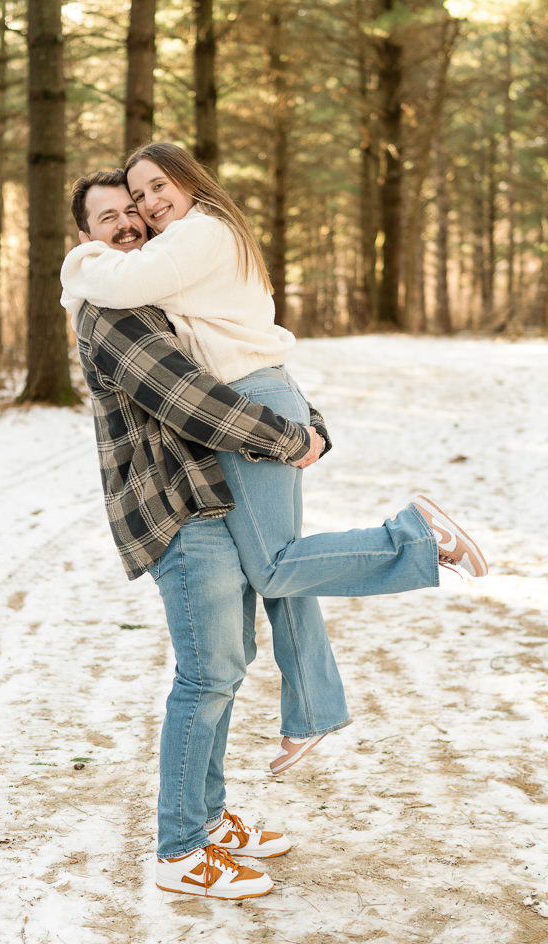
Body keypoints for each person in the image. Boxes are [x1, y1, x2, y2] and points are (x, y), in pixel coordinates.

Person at [61, 143, 488, 767]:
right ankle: (312, 709)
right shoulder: (182, 242)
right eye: (132, 200)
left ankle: (418, 537)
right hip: (261, 397)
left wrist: (79, 260)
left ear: (188, 181)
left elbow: (124, 284)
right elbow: (245, 339)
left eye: (154, 190)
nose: (147, 207)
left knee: (276, 565)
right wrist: (301, 418)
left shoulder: (196, 234)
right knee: (284, 564)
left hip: (249, 405)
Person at [67, 171, 323, 900]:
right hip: (174, 510)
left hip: (212, 497)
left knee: (226, 664)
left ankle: (206, 820)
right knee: (206, 672)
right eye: (106, 216)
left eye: (132, 211)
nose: (126, 222)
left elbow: (240, 366)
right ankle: (180, 850)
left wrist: (310, 428)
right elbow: (195, 401)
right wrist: (288, 438)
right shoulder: (109, 313)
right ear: (86, 237)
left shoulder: (158, 297)